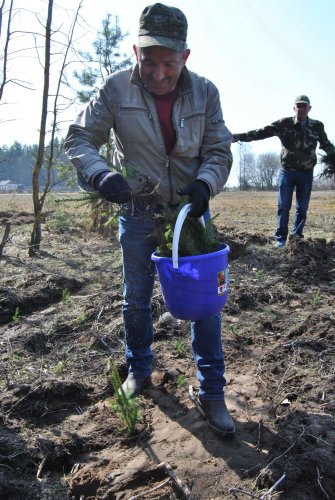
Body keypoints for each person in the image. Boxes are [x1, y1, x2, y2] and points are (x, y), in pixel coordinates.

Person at [65, 3, 234, 435]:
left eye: (169, 64)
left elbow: (218, 149)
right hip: (139, 213)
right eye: (149, 62)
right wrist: (102, 175)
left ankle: (212, 391)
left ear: (186, 57)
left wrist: (205, 185)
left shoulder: (206, 92)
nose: (159, 74)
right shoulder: (115, 89)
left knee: (206, 305)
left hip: (191, 216)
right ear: (134, 51)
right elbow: (80, 137)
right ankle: (139, 369)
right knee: (135, 297)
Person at [232, 95, 335, 248]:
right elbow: (262, 132)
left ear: (309, 108)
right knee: (284, 206)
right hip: (287, 172)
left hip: (306, 173)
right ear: (294, 108)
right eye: (298, 106)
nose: (301, 109)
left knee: (302, 208)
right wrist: (238, 137)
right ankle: (280, 239)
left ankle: (296, 238)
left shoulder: (317, 126)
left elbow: (326, 145)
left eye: (304, 106)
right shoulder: (284, 124)